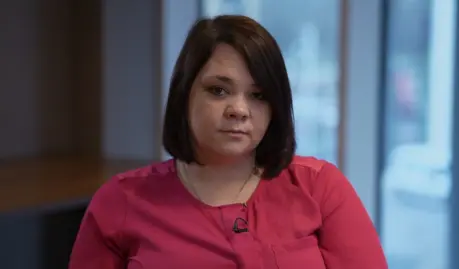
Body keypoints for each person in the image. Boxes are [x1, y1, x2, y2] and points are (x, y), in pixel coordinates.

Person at [69, 15, 388, 269]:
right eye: (218, 90)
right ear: (185, 94)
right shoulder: (119, 202)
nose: (239, 110)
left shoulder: (320, 187)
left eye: (258, 95)